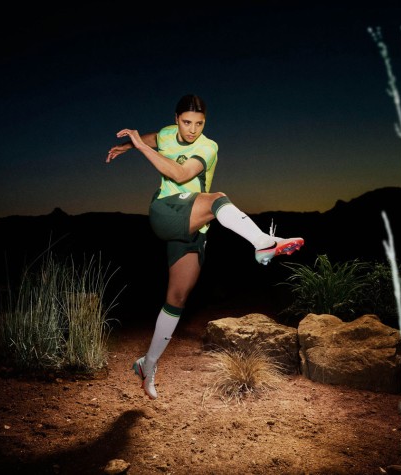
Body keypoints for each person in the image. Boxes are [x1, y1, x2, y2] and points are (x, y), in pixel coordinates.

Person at [106, 94, 303, 400]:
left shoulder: (208, 147)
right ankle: (262, 242)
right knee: (217, 199)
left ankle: (147, 365)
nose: (192, 129)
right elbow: (155, 138)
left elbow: (181, 173)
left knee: (177, 298)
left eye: (199, 123)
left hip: (193, 226)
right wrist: (132, 145)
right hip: (165, 211)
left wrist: (138, 146)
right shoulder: (168, 133)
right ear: (176, 119)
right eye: (186, 122)